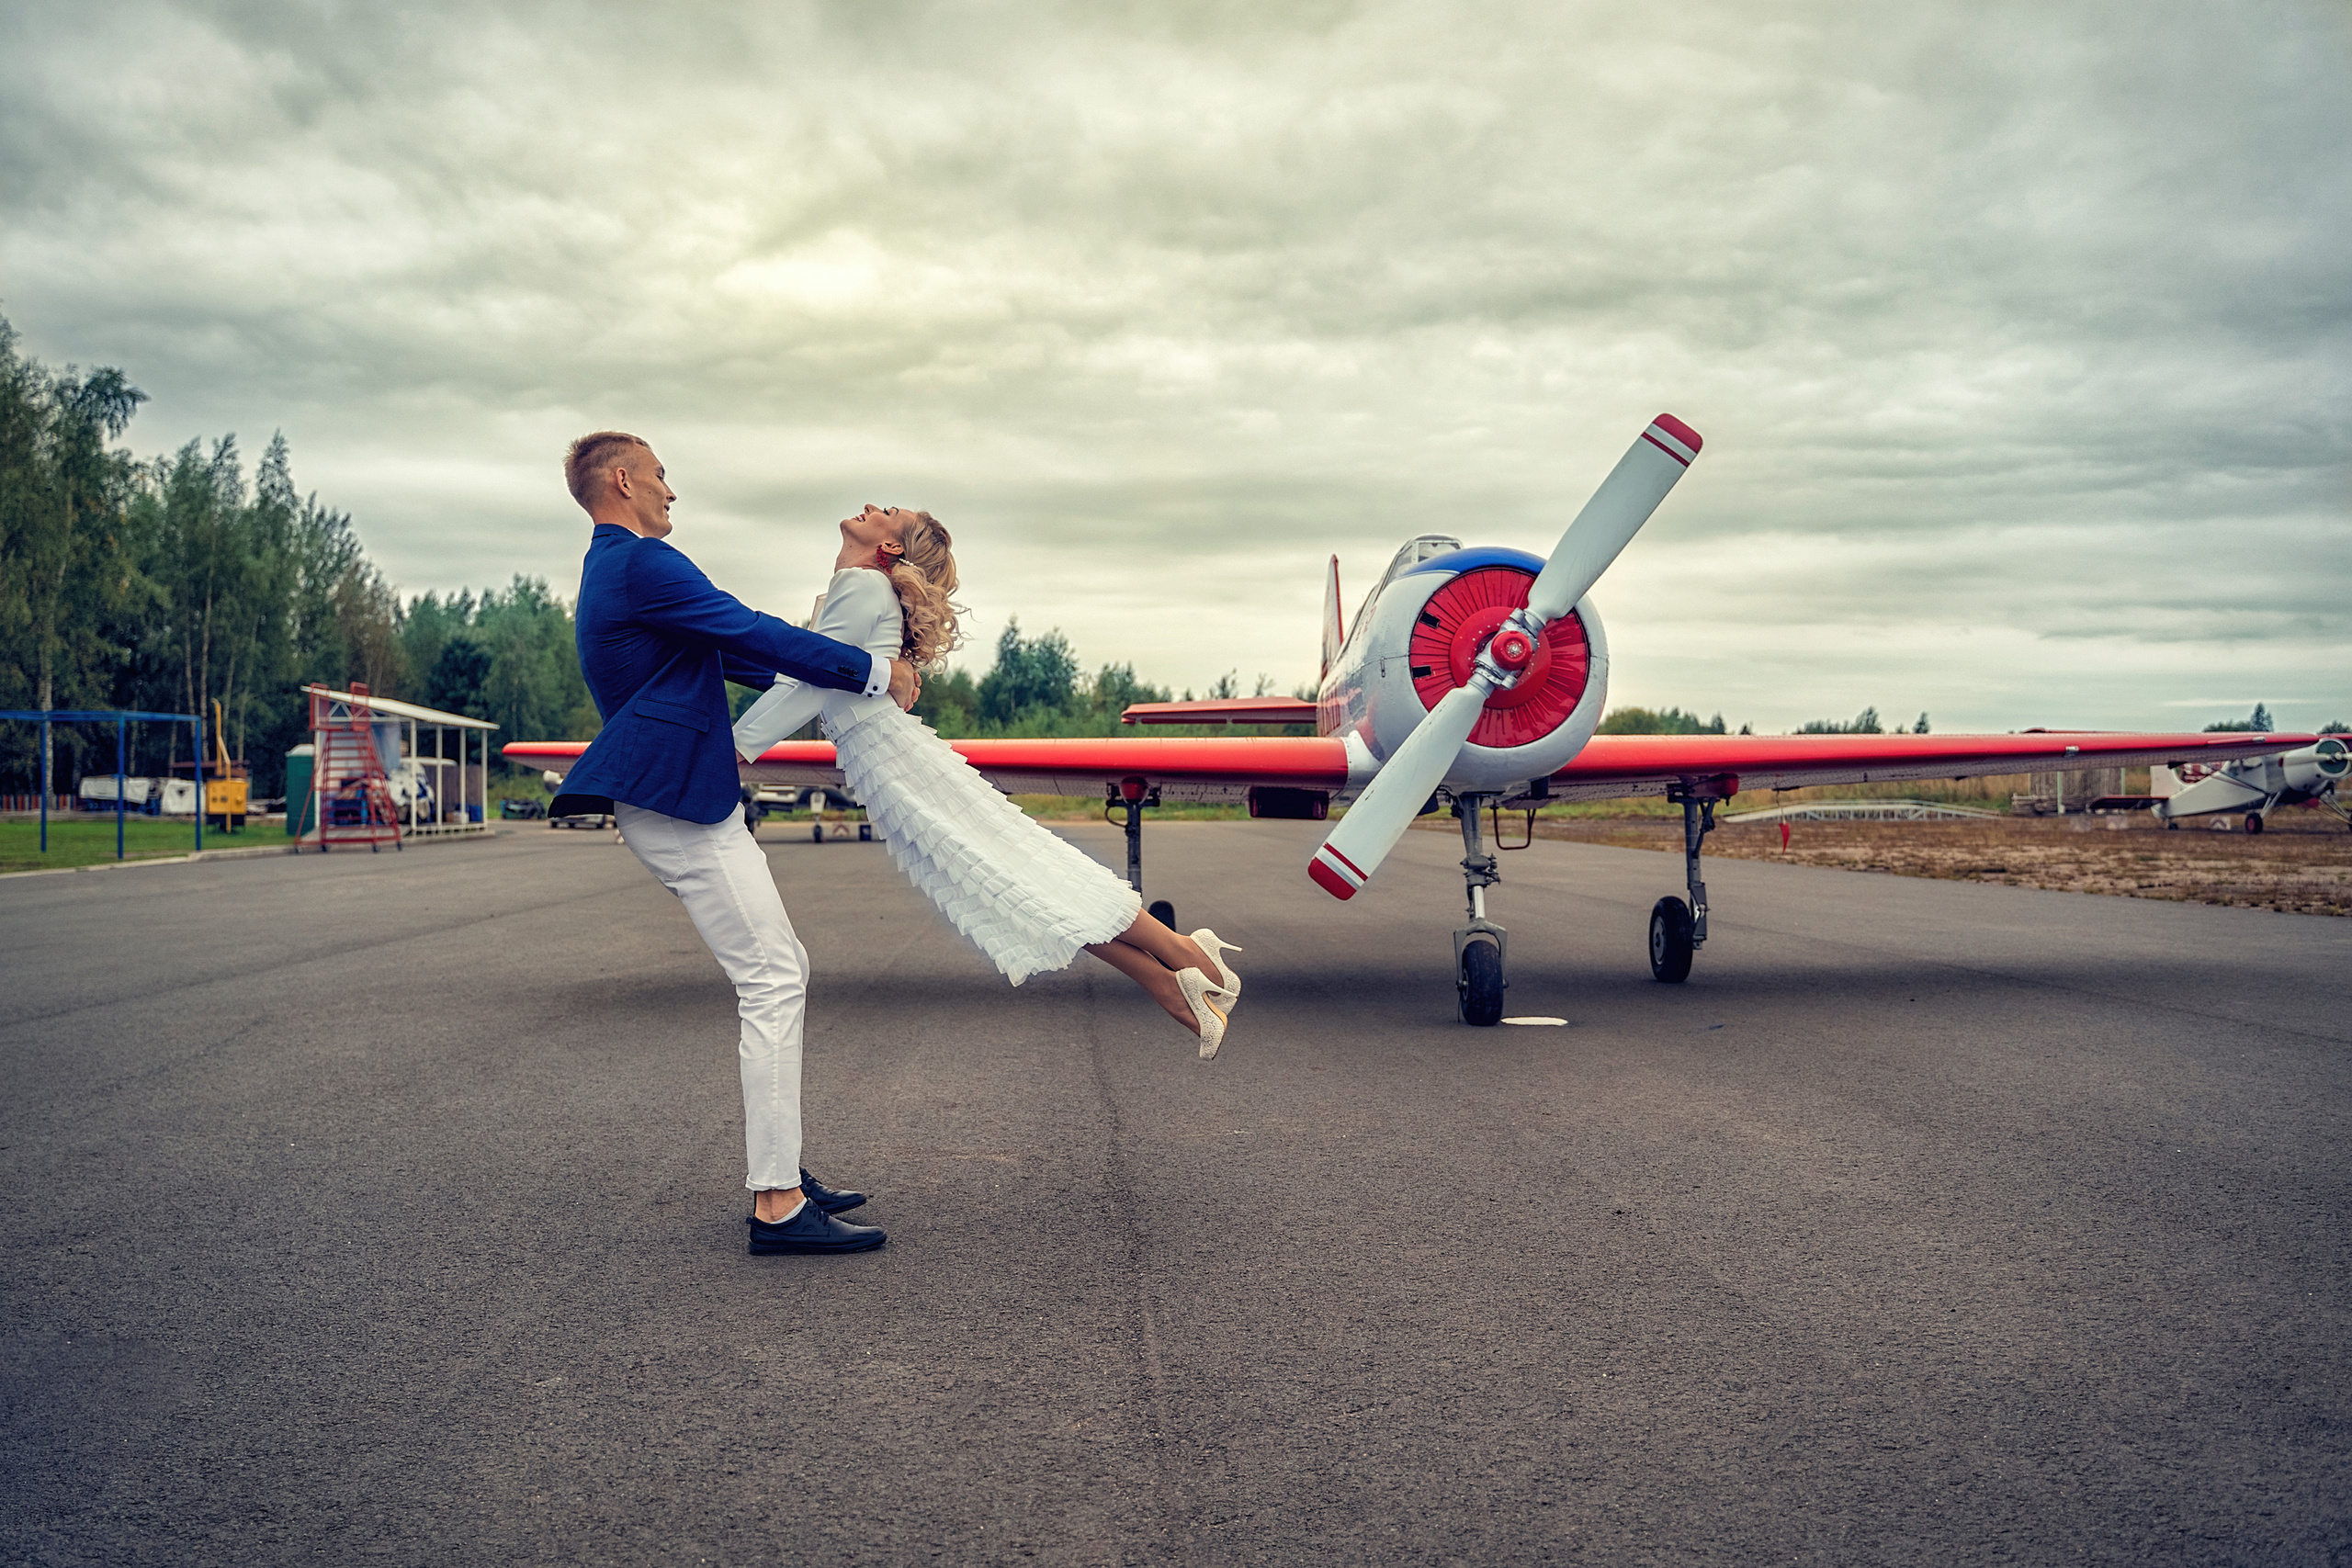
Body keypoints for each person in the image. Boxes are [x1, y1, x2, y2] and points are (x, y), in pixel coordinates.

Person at [548, 433, 921, 1258]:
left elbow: (729, 652)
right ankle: (779, 1203)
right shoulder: (641, 563)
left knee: (780, 968)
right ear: (623, 480)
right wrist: (866, 670)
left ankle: (780, 1168)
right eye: (660, 475)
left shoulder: (617, 565)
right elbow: (748, 631)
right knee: (774, 976)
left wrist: (831, 672)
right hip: (679, 798)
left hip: (676, 794)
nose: (670, 491)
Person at [732, 504, 1245, 1055]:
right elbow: (805, 672)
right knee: (1015, 888)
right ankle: (1170, 975)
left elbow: (809, 682)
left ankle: (1183, 959)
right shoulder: (857, 586)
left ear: (892, 547)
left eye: (885, 511)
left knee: (1020, 875)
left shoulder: (860, 585)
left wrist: (738, 746)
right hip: (887, 765)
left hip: (895, 763)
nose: (868, 508)